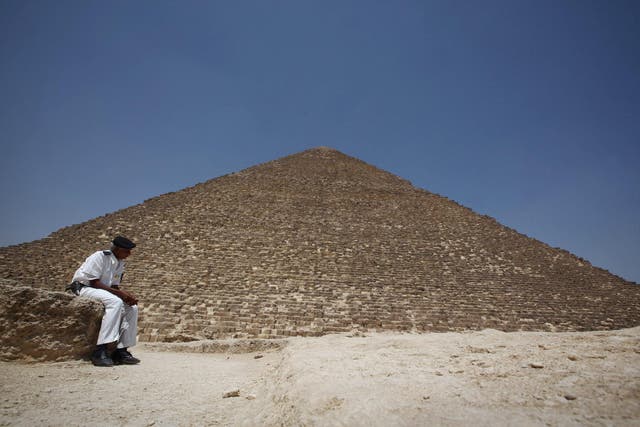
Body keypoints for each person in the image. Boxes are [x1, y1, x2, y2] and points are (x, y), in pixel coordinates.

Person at [69, 236, 140, 367]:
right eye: (127, 251)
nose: (129, 254)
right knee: (115, 302)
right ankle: (100, 350)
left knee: (132, 308)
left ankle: (121, 350)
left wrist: (127, 296)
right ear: (118, 249)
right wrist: (120, 295)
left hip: (102, 291)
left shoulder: (120, 262)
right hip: (85, 288)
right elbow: (94, 282)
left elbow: (114, 286)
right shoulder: (100, 256)